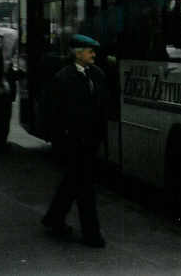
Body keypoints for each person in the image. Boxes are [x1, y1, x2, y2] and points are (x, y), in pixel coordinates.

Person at [41, 34, 108, 248]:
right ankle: (91, 234)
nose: (94, 54)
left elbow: (102, 106)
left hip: (91, 140)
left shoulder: (97, 74)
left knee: (72, 182)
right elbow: (53, 113)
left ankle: (54, 218)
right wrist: (60, 141)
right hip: (73, 142)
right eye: (90, 51)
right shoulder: (63, 78)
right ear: (78, 54)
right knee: (85, 187)